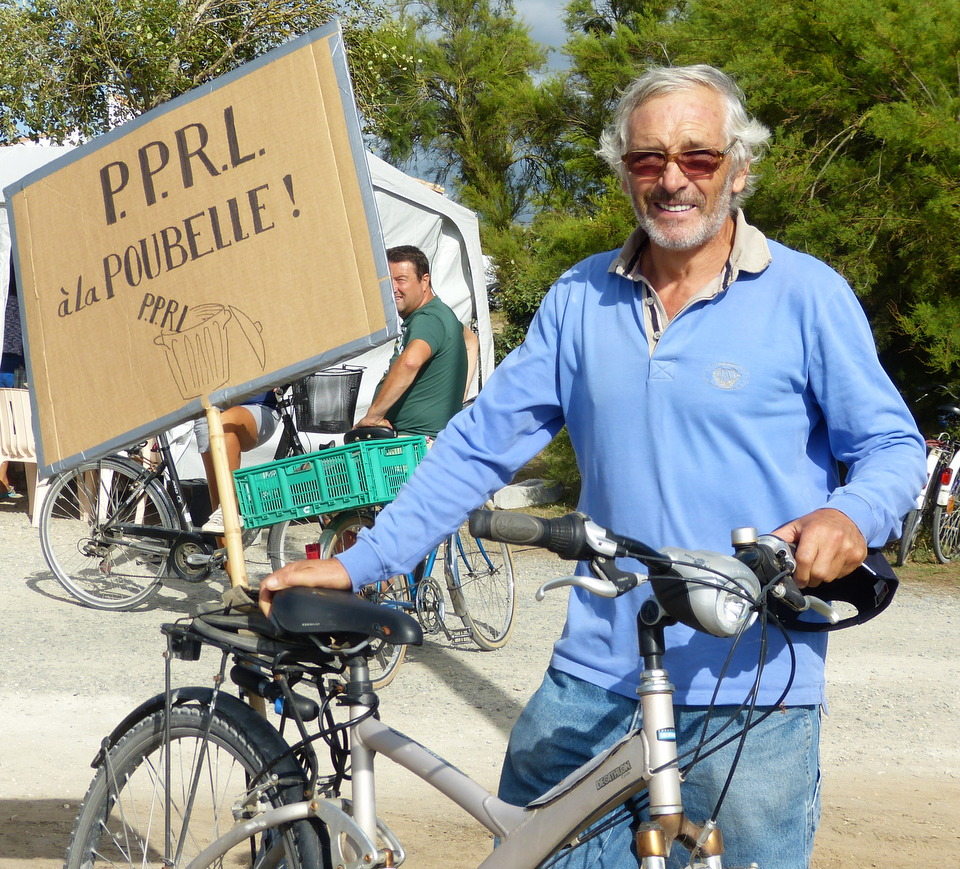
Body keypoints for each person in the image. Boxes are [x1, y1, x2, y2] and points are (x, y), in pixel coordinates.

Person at [260, 65, 926, 868]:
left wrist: (849, 516)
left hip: (753, 688)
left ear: (739, 169)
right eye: (648, 160)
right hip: (596, 675)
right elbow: (477, 446)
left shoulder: (808, 297)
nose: (672, 179)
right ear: (624, 174)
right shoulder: (580, 299)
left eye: (699, 158)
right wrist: (363, 561)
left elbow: (891, 447)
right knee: (526, 854)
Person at [354, 245, 469, 438]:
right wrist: (458, 396)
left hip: (415, 441)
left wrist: (373, 416)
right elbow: (471, 340)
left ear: (424, 281)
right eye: (388, 281)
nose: (393, 288)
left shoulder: (427, 319)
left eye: (401, 280)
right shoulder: (438, 314)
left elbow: (410, 362)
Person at [195, 392, 280, 534]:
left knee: (223, 423)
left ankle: (230, 509)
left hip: (256, 407)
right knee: (218, 501)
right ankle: (225, 555)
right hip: (209, 409)